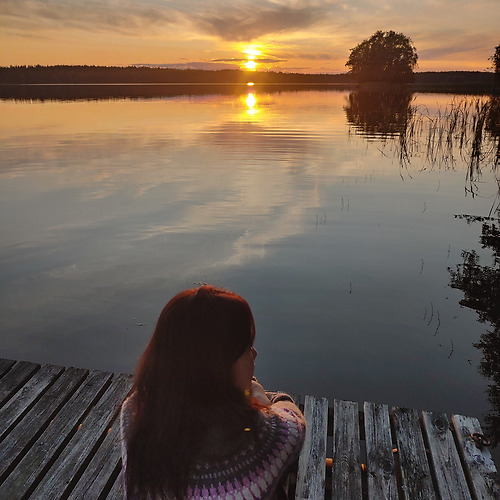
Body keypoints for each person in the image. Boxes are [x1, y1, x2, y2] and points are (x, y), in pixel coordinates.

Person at [120, 285, 306, 499]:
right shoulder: (258, 438)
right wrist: (260, 397)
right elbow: (294, 424)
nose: (254, 354)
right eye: (246, 347)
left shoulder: (135, 411)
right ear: (221, 367)